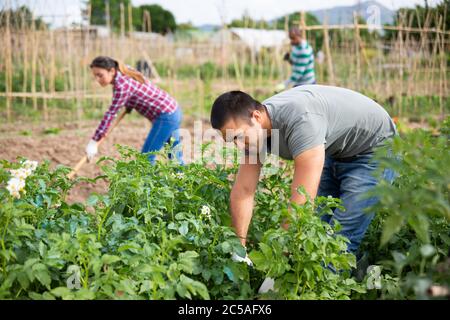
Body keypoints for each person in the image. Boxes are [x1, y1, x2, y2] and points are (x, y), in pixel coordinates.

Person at [210, 84, 397, 264]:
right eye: (232, 140)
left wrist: (277, 265)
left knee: (338, 241)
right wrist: (239, 250)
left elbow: (301, 203)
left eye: (239, 136)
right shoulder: (254, 131)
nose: (239, 145)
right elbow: (243, 190)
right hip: (337, 149)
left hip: (375, 149)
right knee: (316, 233)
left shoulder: (301, 121)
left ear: (256, 116)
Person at [86, 56, 183, 164]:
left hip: (166, 117)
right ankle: (184, 180)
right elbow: (137, 90)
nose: (97, 79)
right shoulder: (125, 70)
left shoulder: (121, 86)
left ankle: (150, 181)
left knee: (146, 159)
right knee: (175, 158)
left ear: (112, 71)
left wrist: (94, 141)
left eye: (100, 75)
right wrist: (129, 104)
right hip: (173, 110)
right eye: (95, 76)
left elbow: (110, 114)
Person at [276, 27, 316, 92]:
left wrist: (284, 84)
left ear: (299, 36)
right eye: (290, 38)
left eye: (293, 38)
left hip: (307, 83)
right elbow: (295, 63)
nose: (291, 41)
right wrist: (289, 59)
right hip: (299, 82)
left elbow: (299, 73)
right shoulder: (295, 47)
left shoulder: (304, 51)